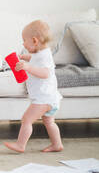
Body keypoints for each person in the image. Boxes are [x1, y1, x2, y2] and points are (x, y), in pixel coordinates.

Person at [4, 20, 63, 153]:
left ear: (35, 41)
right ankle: (57, 144)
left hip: (43, 99)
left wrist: (27, 67)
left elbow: (45, 73)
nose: (23, 44)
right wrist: (26, 57)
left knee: (27, 119)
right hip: (50, 98)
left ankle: (20, 145)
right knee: (49, 122)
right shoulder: (42, 53)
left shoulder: (45, 56)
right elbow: (36, 59)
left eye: (24, 40)